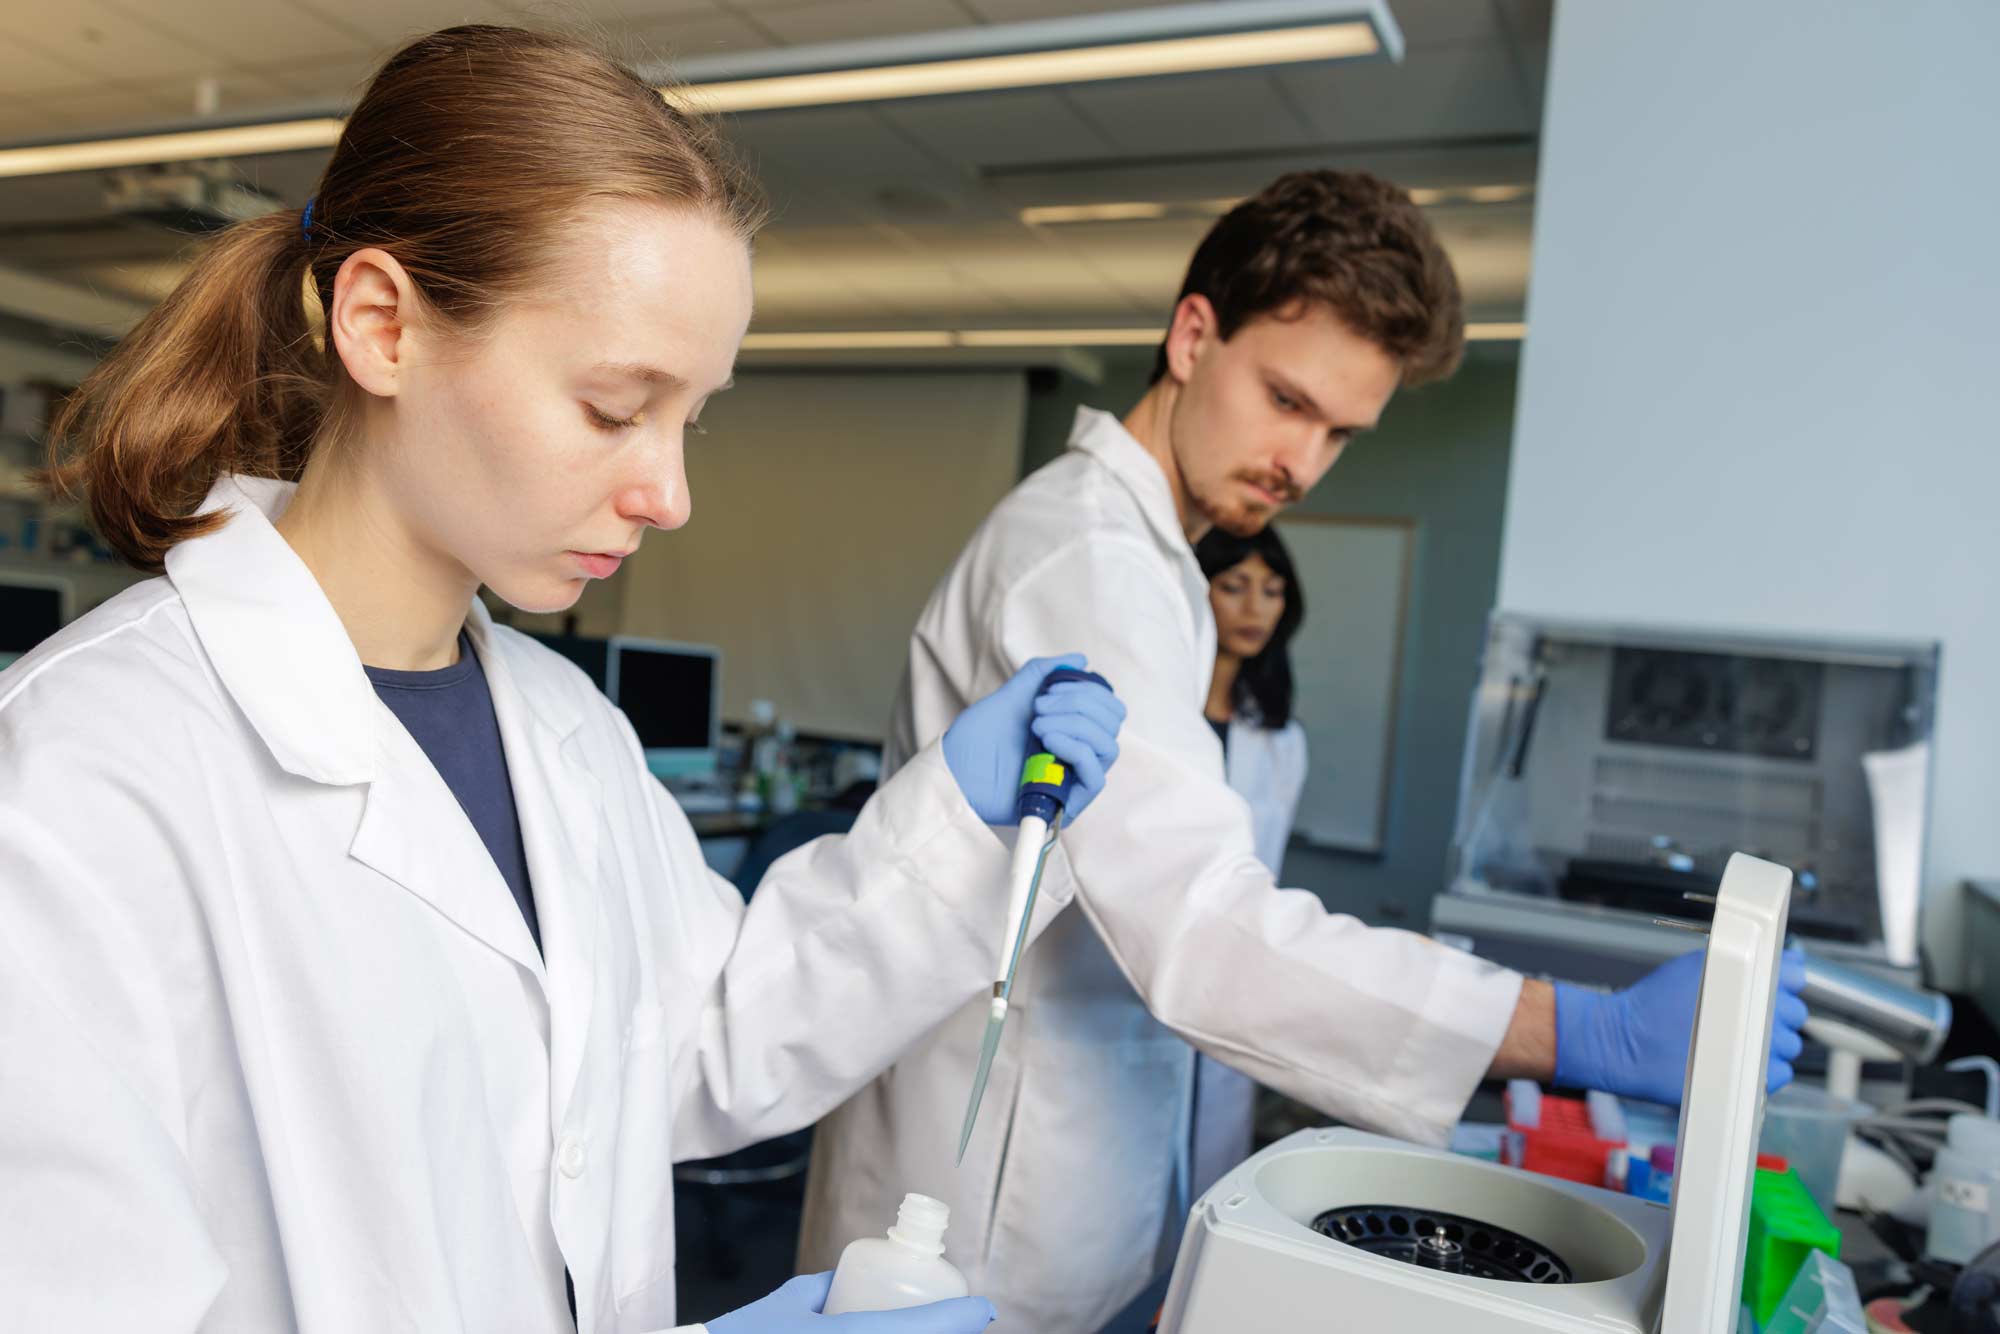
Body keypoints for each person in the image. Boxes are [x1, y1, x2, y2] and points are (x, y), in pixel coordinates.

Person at [0, 26, 1127, 1334]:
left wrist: (955, 822)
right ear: (381, 324)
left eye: (689, 418)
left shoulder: (565, 727)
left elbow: (698, 1036)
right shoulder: (81, 774)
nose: (670, 492)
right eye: (611, 407)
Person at [797, 170, 1810, 1332]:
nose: (1303, 462)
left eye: (1339, 430)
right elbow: (1205, 929)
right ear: (1191, 336)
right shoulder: (1085, 561)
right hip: (973, 1203)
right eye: (1285, 398)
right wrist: (1576, 1027)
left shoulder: (1154, 563)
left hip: (1048, 1173)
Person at [1184, 524, 1309, 1199]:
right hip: (1133, 971)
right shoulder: (1160, 715)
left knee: (1211, 1173)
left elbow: (1268, 871)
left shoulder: (1279, 738)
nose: (1255, 608)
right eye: (1233, 587)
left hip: (1228, 970)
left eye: (1272, 591)